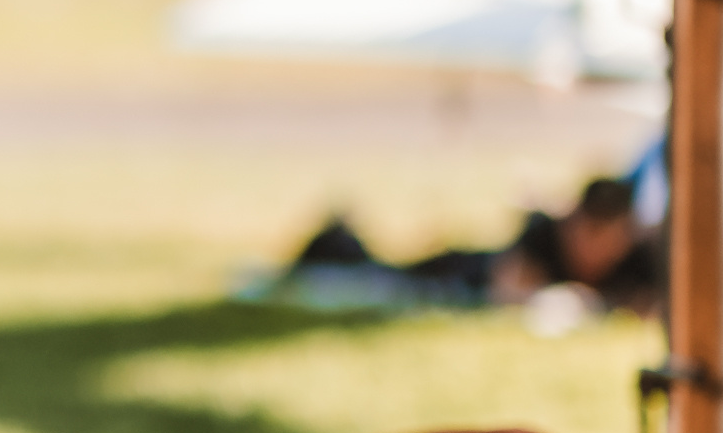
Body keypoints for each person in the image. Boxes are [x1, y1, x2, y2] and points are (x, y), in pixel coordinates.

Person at [283, 175, 663, 315]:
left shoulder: (639, 256)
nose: (593, 249)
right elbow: (506, 290)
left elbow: (649, 303)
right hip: (465, 274)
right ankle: (335, 240)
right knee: (385, 276)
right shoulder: (545, 233)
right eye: (587, 233)